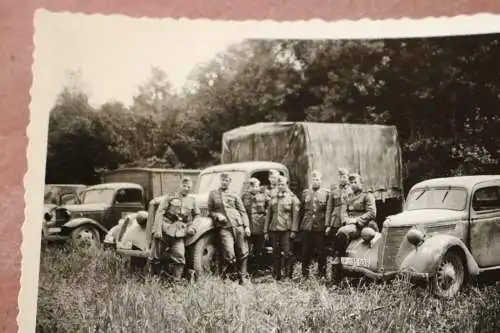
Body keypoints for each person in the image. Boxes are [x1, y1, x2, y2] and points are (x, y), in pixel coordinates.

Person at [149, 177, 200, 281]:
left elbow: (197, 215)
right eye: (184, 186)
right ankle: (152, 279)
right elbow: (160, 213)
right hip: (165, 230)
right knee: (155, 257)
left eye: (189, 187)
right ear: (180, 186)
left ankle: (176, 282)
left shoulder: (192, 201)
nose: (186, 189)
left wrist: (193, 227)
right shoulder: (169, 197)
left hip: (179, 234)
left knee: (180, 258)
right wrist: (157, 230)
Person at [330, 173, 377, 284]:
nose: (353, 185)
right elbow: (343, 211)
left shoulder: (367, 195)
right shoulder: (349, 197)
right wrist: (346, 220)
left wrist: (356, 220)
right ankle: (339, 263)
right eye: (351, 183)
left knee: (341, 232)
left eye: (355, 182)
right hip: (350, 224)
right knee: (339, 234)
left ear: (361, 183)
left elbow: (372, 212)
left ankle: (339, 258)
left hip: (363, 225)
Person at [207, 172, 251, 285]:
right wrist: (217, 215)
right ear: (220, 181)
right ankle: (233, 278)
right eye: (222, 180)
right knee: (229, 252)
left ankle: (244, 277)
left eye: (227, 180)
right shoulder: (213, 194)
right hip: (224, 227)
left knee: (243, 251)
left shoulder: (234, 194)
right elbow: (210, 211)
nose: (224, 182)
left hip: (238, 226)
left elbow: (242, 211)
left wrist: (246, 226)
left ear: (230, 182)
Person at [263, 175, 300, 281]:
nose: (280, 186)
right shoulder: (273, 198)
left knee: (287, 253)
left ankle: (288, 275)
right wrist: (265, 231)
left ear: (286, 185)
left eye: (282, 184)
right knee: (276, 253)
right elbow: (269, 216)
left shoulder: (293, 198)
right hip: (274, 229)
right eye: (278, 184)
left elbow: (296, 215)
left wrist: (294, 230)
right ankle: (277, 275)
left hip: (286, 230)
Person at [299, 170, 330, 279]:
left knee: (321, 251)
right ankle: (305, 274)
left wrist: (327, 225)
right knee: (305, 251)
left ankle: (322, 274)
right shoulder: (305, 193)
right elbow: (301, 210)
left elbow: (328, 211)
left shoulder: (326, 193)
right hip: (307, 226)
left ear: (321, 180)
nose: (315, 181)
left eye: (317, 179)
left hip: (320, 226)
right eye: (313, 179)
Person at [241, 177, 268, 274]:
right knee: (246, 249)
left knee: (259, 249)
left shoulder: (263, 196)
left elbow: (269, 208)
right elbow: (241, 209)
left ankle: (257, 269)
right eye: (253, 186)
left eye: (257, 186)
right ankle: (246, 270)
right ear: (249, 187)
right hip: (248, 225)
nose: (255, 188)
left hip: (260, 225)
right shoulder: (244, 196)